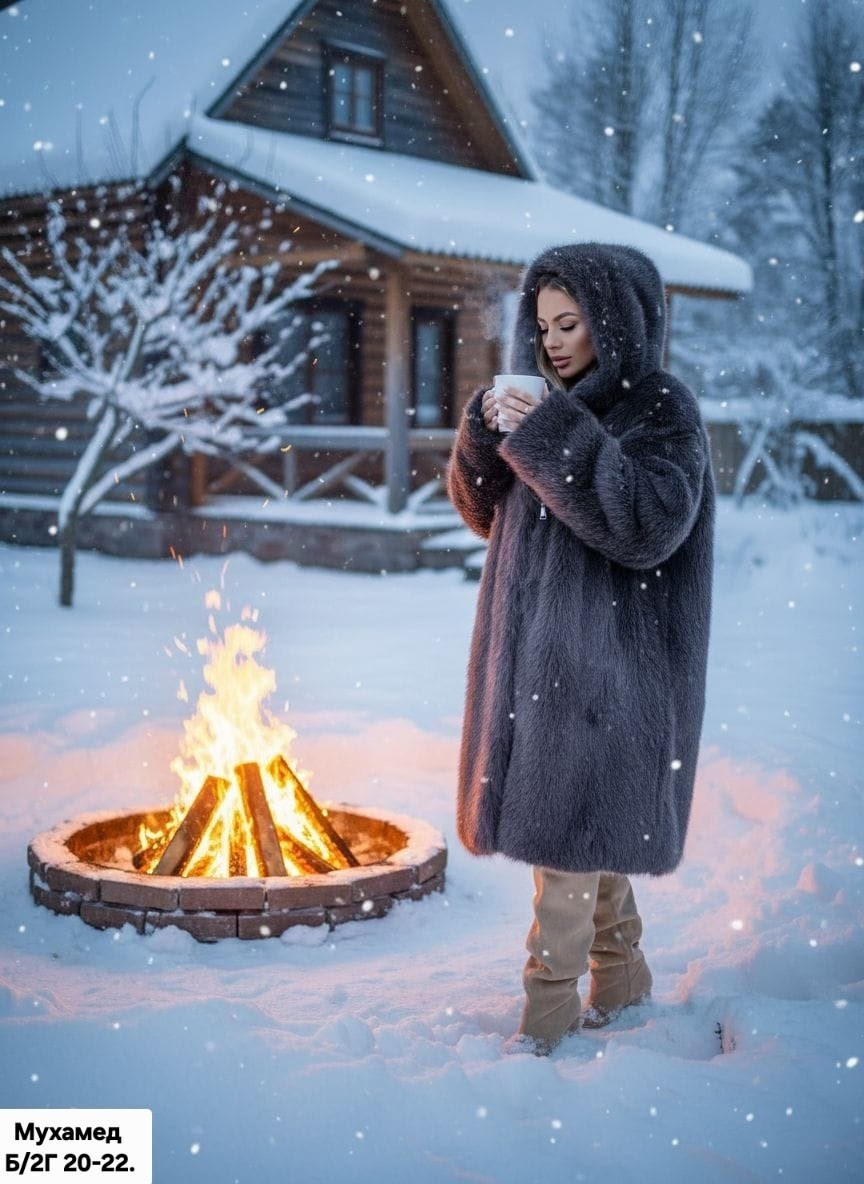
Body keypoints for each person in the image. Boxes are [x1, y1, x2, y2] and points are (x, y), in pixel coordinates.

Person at [446, 241, 715, 1056]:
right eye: (544, 326)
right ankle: (626, 987)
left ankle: (546, 1029)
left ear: (617, 321)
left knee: (565, 859)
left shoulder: (661, 409)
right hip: (539, 674)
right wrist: (485, 437)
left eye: (572, 323)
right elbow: (487, 517)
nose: (554, 342)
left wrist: (555, 432)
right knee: (590, 846)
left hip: (613, 682)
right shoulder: (553, 406)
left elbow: (646, 525)